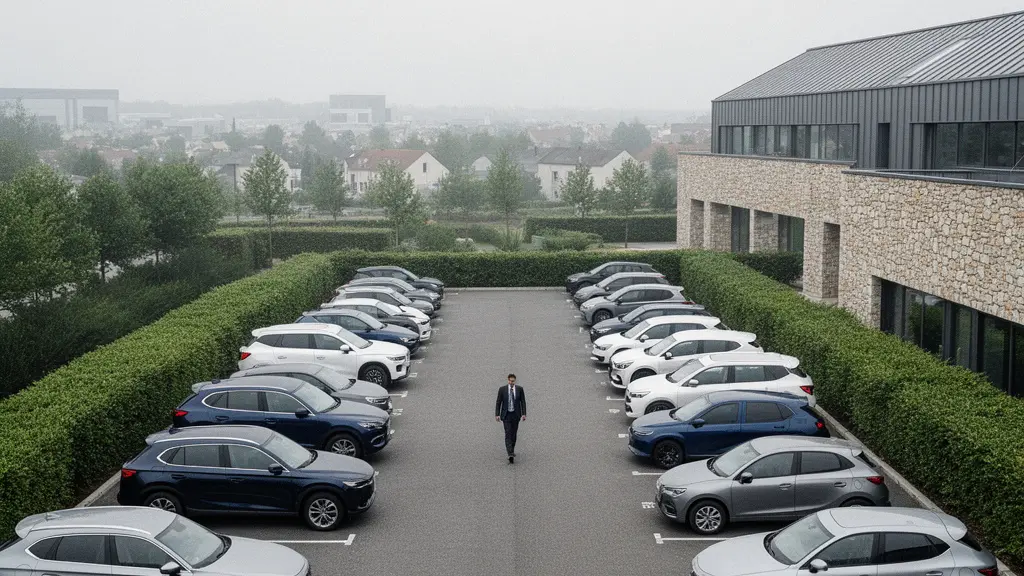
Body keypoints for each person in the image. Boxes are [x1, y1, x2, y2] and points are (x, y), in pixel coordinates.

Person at [495, 373, 526, 463]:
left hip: (516, 414)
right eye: (510, 381)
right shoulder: (502, 390)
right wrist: (497, 414)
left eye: (513, 381)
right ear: (508, 380)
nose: (511, 382)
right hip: (506, 415)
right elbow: (498, 402)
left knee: (514, 434)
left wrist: (524, 414)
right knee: (508, 433)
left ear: (515, 381)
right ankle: (510, 453)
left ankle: (512, 448)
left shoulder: (519, 389)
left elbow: (523, 402)